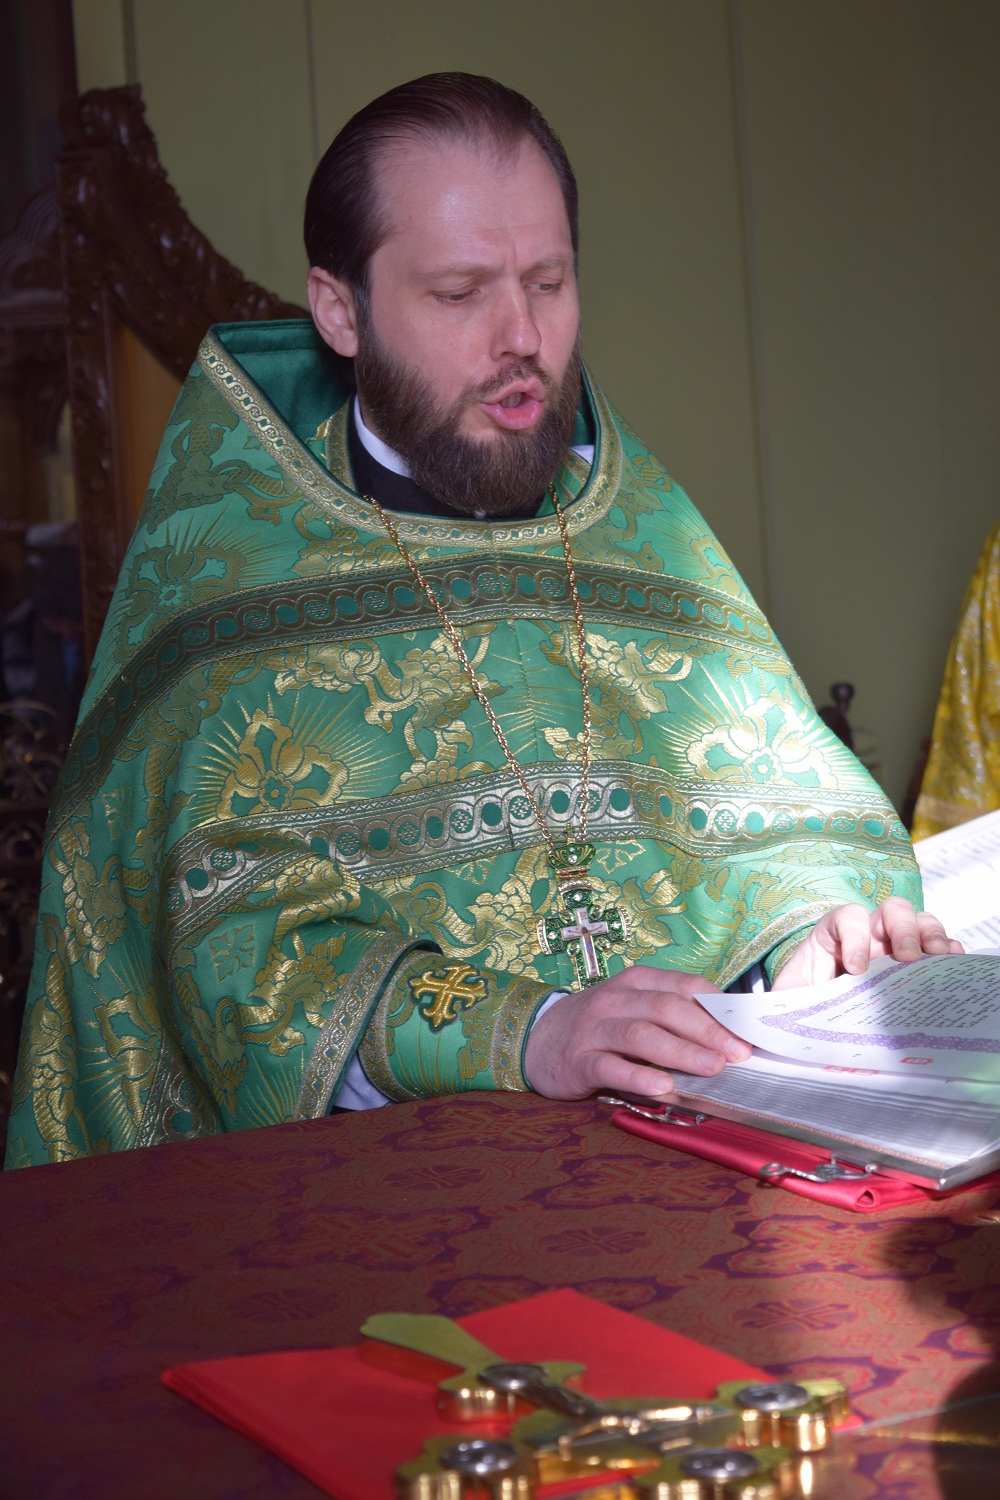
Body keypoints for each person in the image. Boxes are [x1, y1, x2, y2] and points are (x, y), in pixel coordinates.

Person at [5, 73, 958, 1168]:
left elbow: (785, 816)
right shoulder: (226, 587)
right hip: (383, 1199)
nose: (524, 338)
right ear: (340, 311)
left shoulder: (638, 530)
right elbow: (229, 951)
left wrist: (811, 930)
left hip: (705, 1161)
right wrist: (531, 1030)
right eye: (459, 294)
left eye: (549, 282)